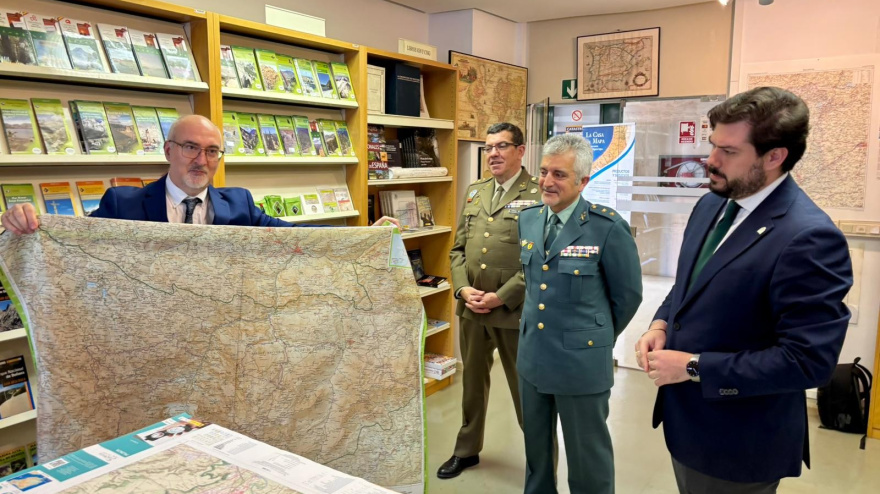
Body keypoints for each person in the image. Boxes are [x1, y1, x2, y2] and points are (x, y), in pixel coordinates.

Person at [635, 87, 853, 493]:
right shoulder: (714, 203)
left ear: (774, 157)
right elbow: (689, 286)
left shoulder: (808, 237)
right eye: (713, 145)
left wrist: (693, 366)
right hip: (688, 425)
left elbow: (808, 362)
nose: (710, 161)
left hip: (739, 443)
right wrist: (661, 322)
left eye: (729, 151)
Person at [1, 115, 397, 232]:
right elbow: (73, 242)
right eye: (191, 147)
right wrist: (25, 221)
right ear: (169, 150)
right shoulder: (122, 202)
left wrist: (364, 234)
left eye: (211, 151)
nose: (201, 160)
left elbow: (291, 235)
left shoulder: (239, 203)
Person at [518, 133, 642, 494]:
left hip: (581, 363)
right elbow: (533, 282)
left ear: (583, 181)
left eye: (559, 174)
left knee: (588, 458)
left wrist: (594, 340)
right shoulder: (528, 219)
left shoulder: (606, 226)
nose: (546, 182)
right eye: (543, 172)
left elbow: (628, 296)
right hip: (532, 357)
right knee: (536, 455)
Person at [438, 122, 542, 479]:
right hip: (472, 308)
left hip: (513, 311)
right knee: (472, 386)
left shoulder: (539, 194)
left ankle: (540, 461)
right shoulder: (475, 191)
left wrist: (503, 296)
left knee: (525, 389)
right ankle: (466, 451)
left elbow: (539, 259)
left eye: (501, 146)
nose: (493, 154)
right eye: (488, 148)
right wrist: (463, 289)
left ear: (521, 150)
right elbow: (457, 250)